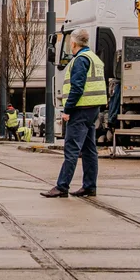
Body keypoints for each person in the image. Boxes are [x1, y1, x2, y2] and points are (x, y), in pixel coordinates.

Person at [41, 28, 107, 198]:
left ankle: (62, 186)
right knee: (89, 149)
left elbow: (77, 87)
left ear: (74, 43)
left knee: (71, 149)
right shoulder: (95, 59)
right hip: (93, 109)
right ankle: (90, 186)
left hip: (80, 109)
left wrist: (67, 109)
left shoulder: (80, 60)